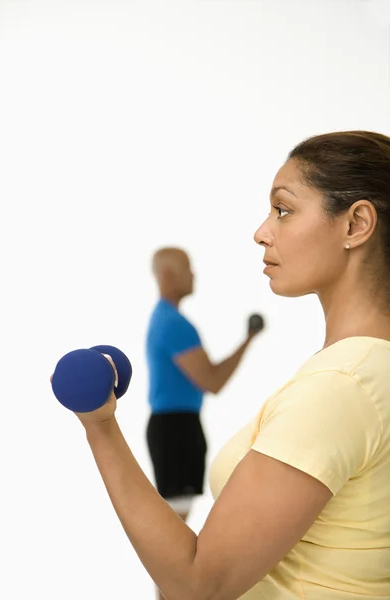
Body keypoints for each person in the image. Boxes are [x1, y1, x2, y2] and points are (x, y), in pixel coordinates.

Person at [67, 131, 390, 599]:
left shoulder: (340, 384)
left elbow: (197, 585)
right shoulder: (366, 372)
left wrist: (99, 424)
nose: (261, 231)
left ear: (356, 224)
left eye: (283, 209)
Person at [145, 248, 261, 528]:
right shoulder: (173, 324)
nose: (193, 274)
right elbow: (213, 381)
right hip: (176, 429)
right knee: (174, 527)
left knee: (176, 523)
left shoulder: (165, 319)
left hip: (177, 426)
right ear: (168, 274)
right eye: (188, 267)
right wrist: (249, 339)